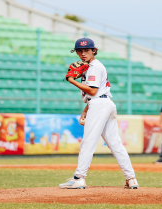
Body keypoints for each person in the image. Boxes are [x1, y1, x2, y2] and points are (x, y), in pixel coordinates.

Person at [59, 38, 139, 189]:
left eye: (87, 50)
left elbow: (94, 91)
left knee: (88, 141)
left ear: (94, 50)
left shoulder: (94, 67)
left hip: (100, 105)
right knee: (115, 144)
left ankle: (79, 178)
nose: (83, 53)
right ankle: (131, 178)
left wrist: (71, 80)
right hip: (104, 103)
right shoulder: (90, 66)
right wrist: (86, 109)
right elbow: (97, 94)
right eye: (80, 51)